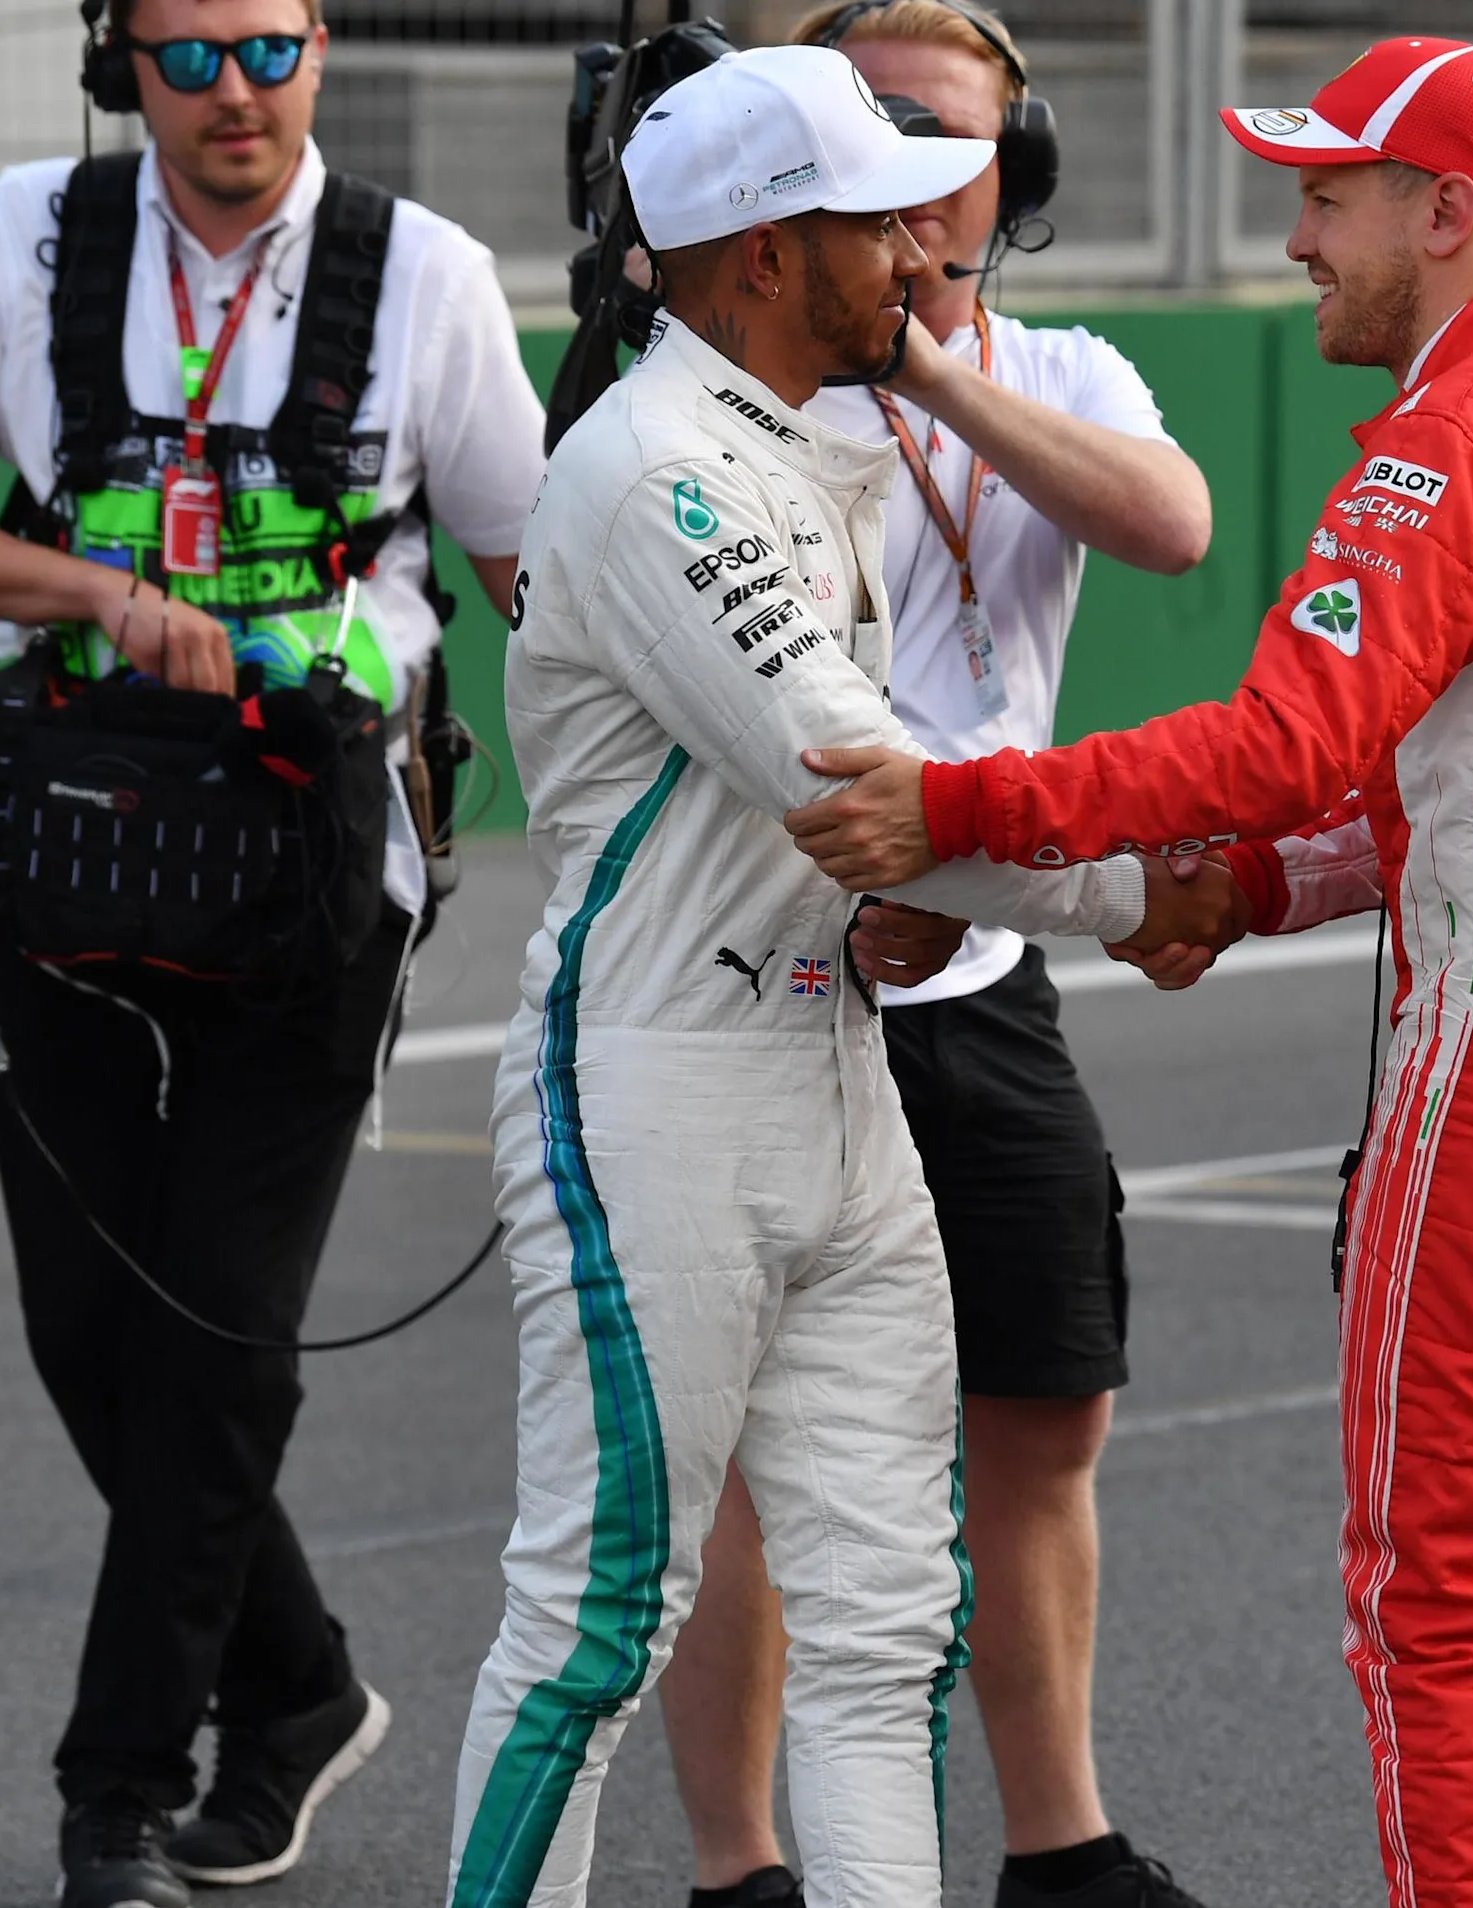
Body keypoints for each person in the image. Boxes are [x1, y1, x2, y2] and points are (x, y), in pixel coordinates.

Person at [780, 37, 1473, 1908]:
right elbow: (1465, 793)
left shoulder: (1461, 432)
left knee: (1441, 1617)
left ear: (1445, 214)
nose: (1294, 244)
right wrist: (1226, 895)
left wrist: (961, 801)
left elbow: (1281, 739)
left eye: (1327, 201)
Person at [445, 46, 1234, 1908]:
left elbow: (883, 829)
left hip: (835, 1077)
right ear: (758, 258)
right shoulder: (658, 473)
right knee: (596, 1616)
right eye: (876, 217)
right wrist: (1146, 896)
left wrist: (982, 896)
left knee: (888, 1625)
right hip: (655, 1093)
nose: (921, 247)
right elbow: (855, 788)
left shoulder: (812, 446)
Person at [0, 0, 544, 1896]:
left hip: (316, 884)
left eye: (272, 47)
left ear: (322, 50)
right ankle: (295, 1683)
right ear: (117, 66)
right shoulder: (25, 236)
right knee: (92, 1336)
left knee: (217, 1336)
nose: (237, 94)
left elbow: (533, 565)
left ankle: (117, 1796)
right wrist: (101, 595)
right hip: (60, 865)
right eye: (189, 56)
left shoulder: (429, 276)